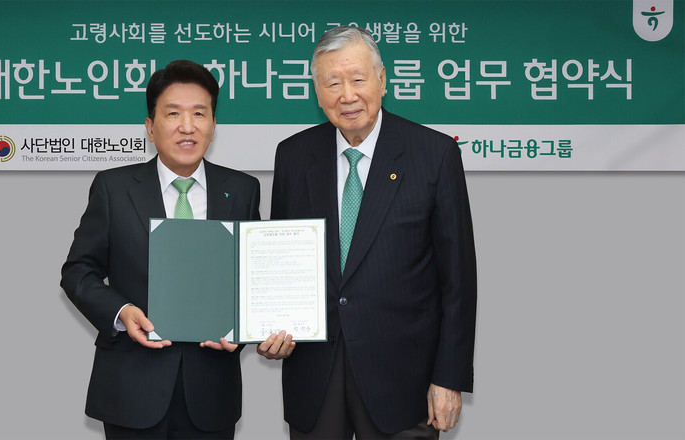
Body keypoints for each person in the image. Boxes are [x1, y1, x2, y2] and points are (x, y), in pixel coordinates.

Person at [257, 26, 477, 439]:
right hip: (314, 374)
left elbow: (458, 281)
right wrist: (270, 324)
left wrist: (449, 377)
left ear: (382, 80)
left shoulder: (434, 154)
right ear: (316, 92)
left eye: (358, 79)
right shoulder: (293, 155)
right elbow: (282, 263)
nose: (347, 95)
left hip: (404, 380)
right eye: (332, 83)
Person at [61, 59, 260, 439]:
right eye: (173, 113)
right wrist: (121, 312)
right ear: (151, 127)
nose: (187, 126)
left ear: (213, 124)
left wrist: (244, 328)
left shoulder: (242, 190)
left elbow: (252, 278)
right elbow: (78, 271)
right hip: (131, 389)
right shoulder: (114, 188)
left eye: (199, 113)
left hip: (211, 392)